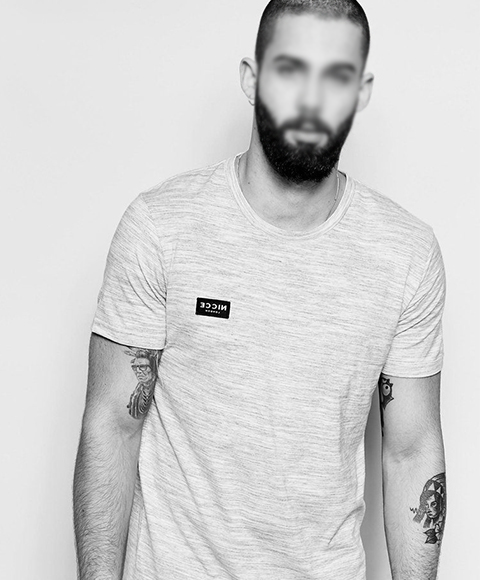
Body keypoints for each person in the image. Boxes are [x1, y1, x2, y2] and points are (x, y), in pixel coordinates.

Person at [73, 1, 447, 578]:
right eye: (291, 70)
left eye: (336, 77)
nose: (311, 100)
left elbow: (411, 449)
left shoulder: (406, 254)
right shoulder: (161, 228)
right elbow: (112, 425)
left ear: (361, 92)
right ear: (251, 78)